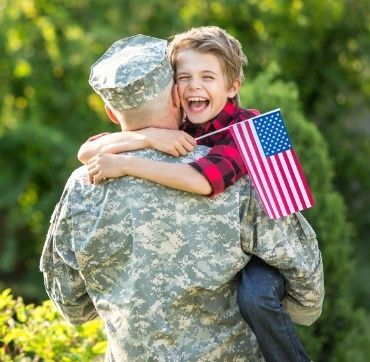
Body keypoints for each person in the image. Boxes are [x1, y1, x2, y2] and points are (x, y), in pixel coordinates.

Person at [40, 35, 324, 361]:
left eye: (207, 77)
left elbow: (71, 304)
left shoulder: (83, 185)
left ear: (108, 110)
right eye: (185, 78)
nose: (193, 87)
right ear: (176, 93)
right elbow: (304, 278)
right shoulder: (243, 184)